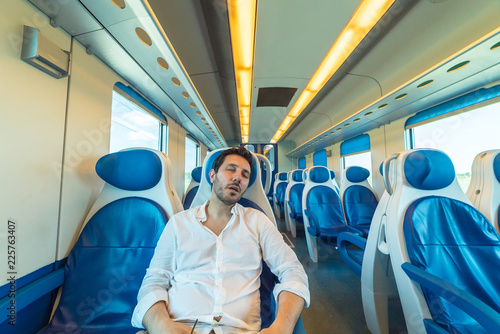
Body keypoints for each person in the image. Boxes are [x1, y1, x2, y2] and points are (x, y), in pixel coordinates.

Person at [131, 147, 310, 334]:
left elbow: (292, 271)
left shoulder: (257, 221)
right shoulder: (179, 223)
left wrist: (282, 327)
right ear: (212, 175)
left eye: (245, 174)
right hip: (180, 327)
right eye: (230, 169)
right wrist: (161, 325)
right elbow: (155, 280)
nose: (238, 177)